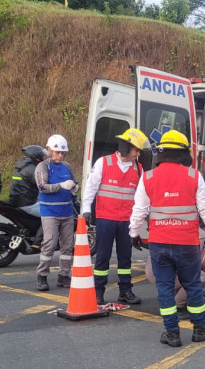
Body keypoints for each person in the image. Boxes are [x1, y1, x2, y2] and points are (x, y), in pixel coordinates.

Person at [129, 129, 205, 348]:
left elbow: (139, 210)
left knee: (165, 289)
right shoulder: (193, 176)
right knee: (193, 286)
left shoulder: (148, 177)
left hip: (159, 243)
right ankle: (199, 329)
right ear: (183, 153)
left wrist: (133, 233)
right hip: (187, 243)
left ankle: (172, 333)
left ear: (162, 152)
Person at [82, 128, 149, 306]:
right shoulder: (103, 163)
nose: (138, 154)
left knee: (125, 257)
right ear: (126, 148)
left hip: (126, 220)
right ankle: (98, 291)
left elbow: (142, 196)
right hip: (106, 218)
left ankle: (125, 291)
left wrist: (143, 218)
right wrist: (86, 209)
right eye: (136, 150)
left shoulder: (138, 169)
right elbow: (90, 187)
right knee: (102, 257)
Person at [34, 134, 78, 292]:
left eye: (62, 153)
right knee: (50, 244)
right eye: (57, 152)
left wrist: (74, 188)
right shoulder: (43, 167)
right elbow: (42, 187)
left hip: (66, 211)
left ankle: (64, 275)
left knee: (68, 246)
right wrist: (61, 185)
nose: (60, 155)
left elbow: (74, 183)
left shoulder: (67, 166)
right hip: (50, 212)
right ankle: (42, 275)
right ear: (49, 150)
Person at [9, 145, 47, 217]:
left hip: (17, 201)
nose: (43, 158)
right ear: (37, 157)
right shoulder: (32, 169)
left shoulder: (22, 167)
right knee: (54, 213)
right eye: (42, 156)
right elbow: (44, 185)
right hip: (27, 204)